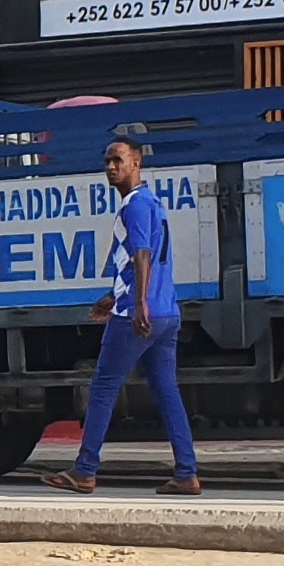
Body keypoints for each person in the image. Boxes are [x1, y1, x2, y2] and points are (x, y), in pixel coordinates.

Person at [49, 129, 198, 495]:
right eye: (107, 162)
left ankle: (84, 470)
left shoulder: (133, 205)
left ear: (137, 163)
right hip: (167, 313)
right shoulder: (152, 203)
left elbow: (142, 255)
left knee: (103, 387)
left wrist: (137, 303)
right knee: (166, 391)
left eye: (118, 160)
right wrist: (113, 297)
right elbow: (139, 264)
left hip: (140, 314)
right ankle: (186, 472)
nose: (112, 167)